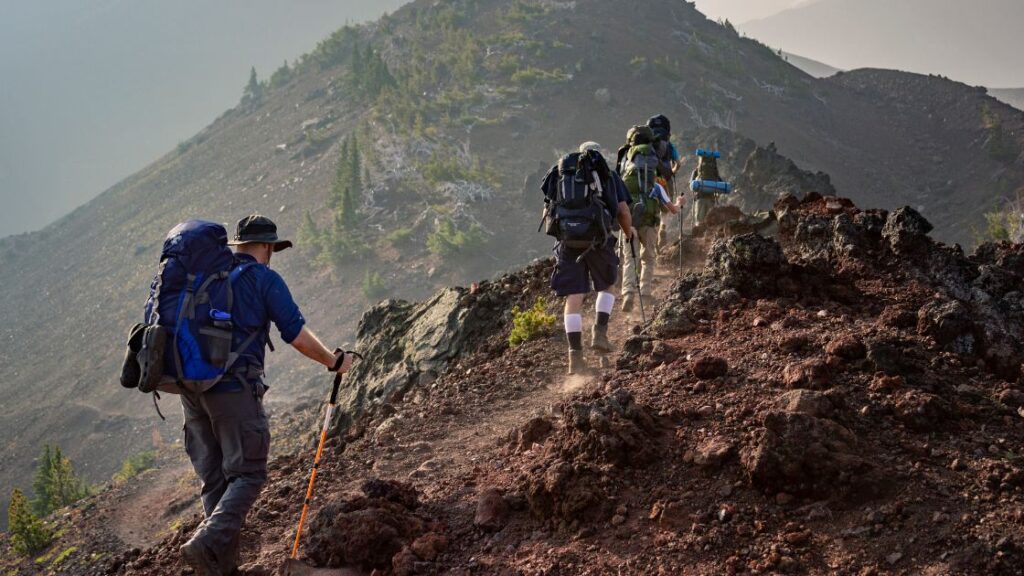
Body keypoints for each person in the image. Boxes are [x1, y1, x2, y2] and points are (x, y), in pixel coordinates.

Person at [179, 214, 354, 576]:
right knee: (249, 474)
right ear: (267, 247)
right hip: (233, 389)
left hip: (191, 390)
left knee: (216, 480)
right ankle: (208, 542)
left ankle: (220, 570)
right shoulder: (263, 279)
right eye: (272, 247)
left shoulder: (208, 278)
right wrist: (333, 361)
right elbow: (296, 334)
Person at [542, 145, 634, 374]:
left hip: (568, 244)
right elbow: (622, 211)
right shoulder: (607, 175)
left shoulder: (560, 175)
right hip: (598, 241)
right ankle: (599, 333)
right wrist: (629, 234)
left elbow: (547, 213)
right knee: (607, 287)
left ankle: (575, 358)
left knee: (573, 298)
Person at [646, 114, 684, 252]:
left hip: (649, 179)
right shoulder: (669, 145)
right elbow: (678, 164)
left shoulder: (647, 144)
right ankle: (663, 228)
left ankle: (653, 234)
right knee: (666, 209)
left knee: (651, 208)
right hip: (665, 180)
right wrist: (671, 172)